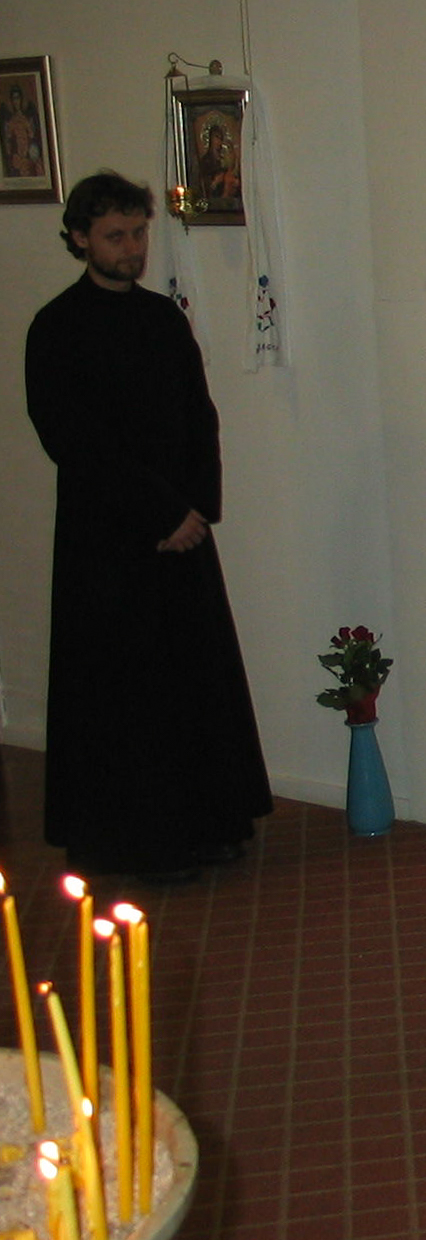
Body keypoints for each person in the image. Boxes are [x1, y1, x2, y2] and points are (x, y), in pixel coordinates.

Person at [24, 171, 271, 882]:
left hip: (182, 532)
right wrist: (160, 513)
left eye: (138, 233)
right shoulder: (56, 329)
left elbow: (199, 417)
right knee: (123, 695)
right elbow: (73, 439)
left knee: (192, 683)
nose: (132, 248)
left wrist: (195, 508)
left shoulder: (163, 319)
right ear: (80, 238)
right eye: (115, 236)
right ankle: (133, 842)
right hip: (107, 540)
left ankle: (210, 823)